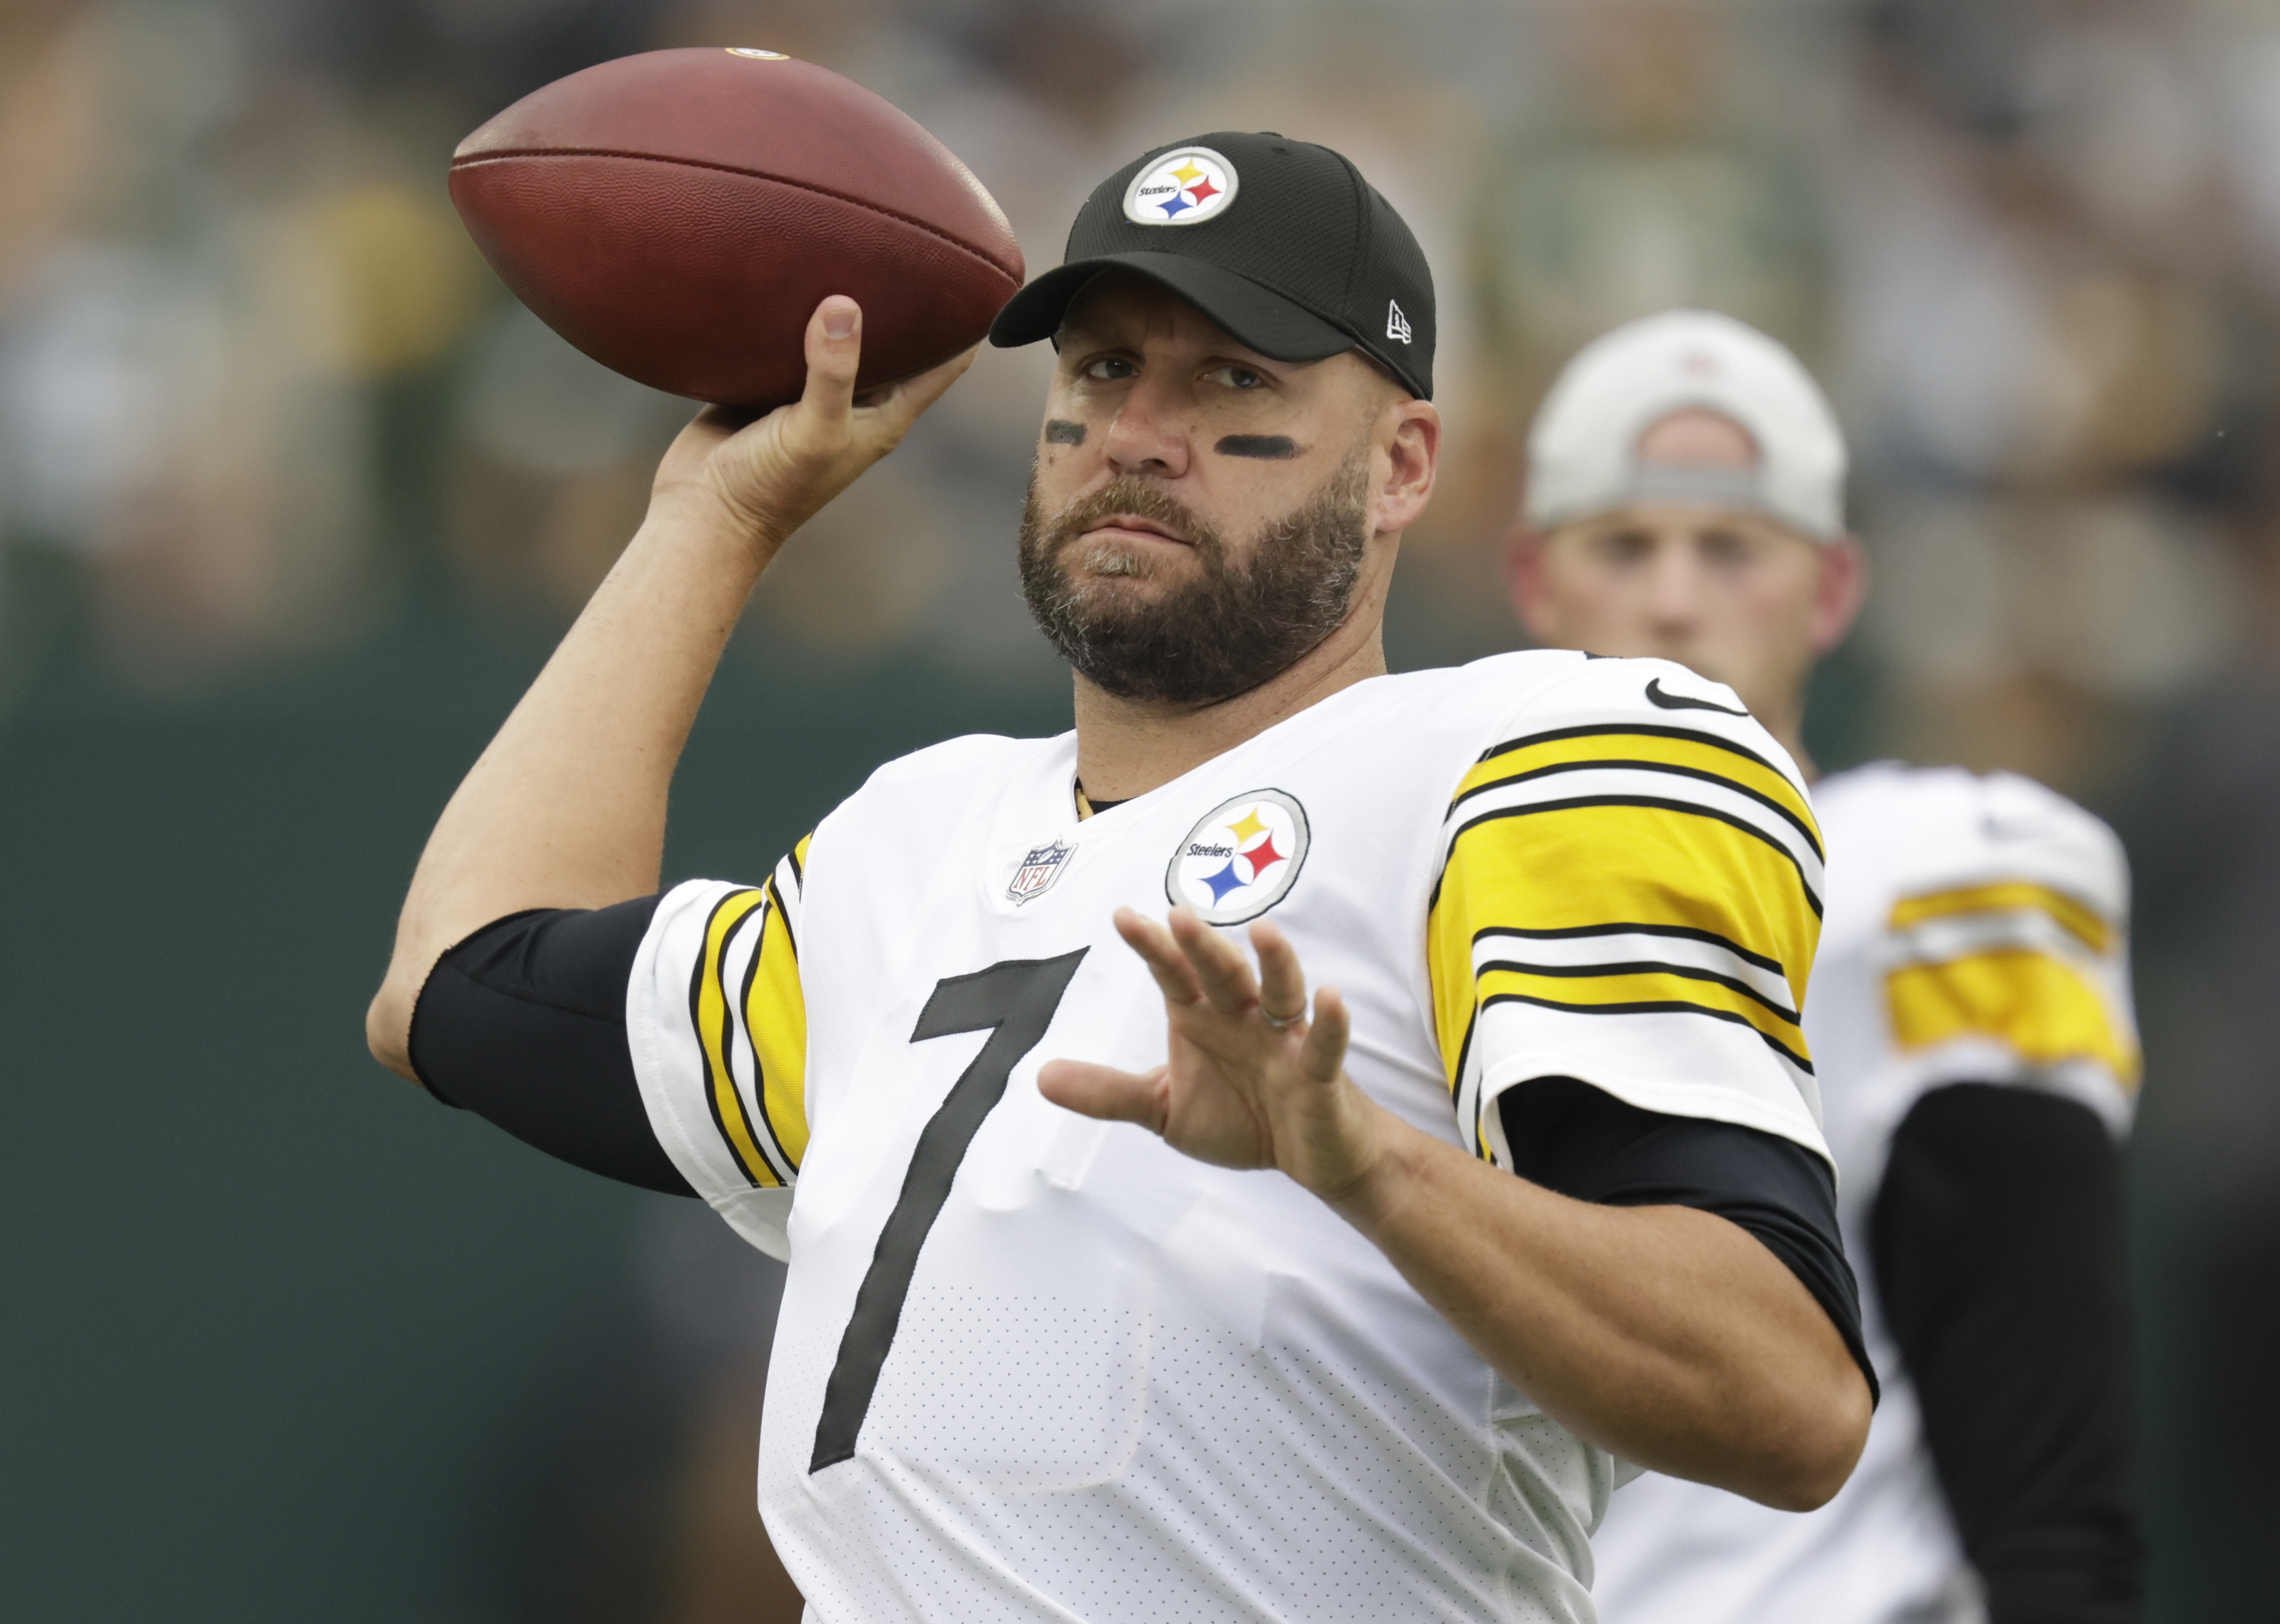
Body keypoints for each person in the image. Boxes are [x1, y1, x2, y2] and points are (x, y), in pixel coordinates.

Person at [364, 134, 1874, 1623]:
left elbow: (1784, 1401)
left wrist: (1358, 1162)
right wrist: (715, 518)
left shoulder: (1527, 754)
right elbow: (457, 983)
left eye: (1233, 379)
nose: (1139, 431)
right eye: (1097, 371)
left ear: (1404, 462)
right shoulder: (915, 836)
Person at [1506, 310, 2145, 1624]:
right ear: (1535, 581)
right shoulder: (1413, 886)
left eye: (1730, 547)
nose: (1673, 597)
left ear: (1831, 589)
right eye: (1624, 545)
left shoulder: (1936, 873)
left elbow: (2038, 1402)